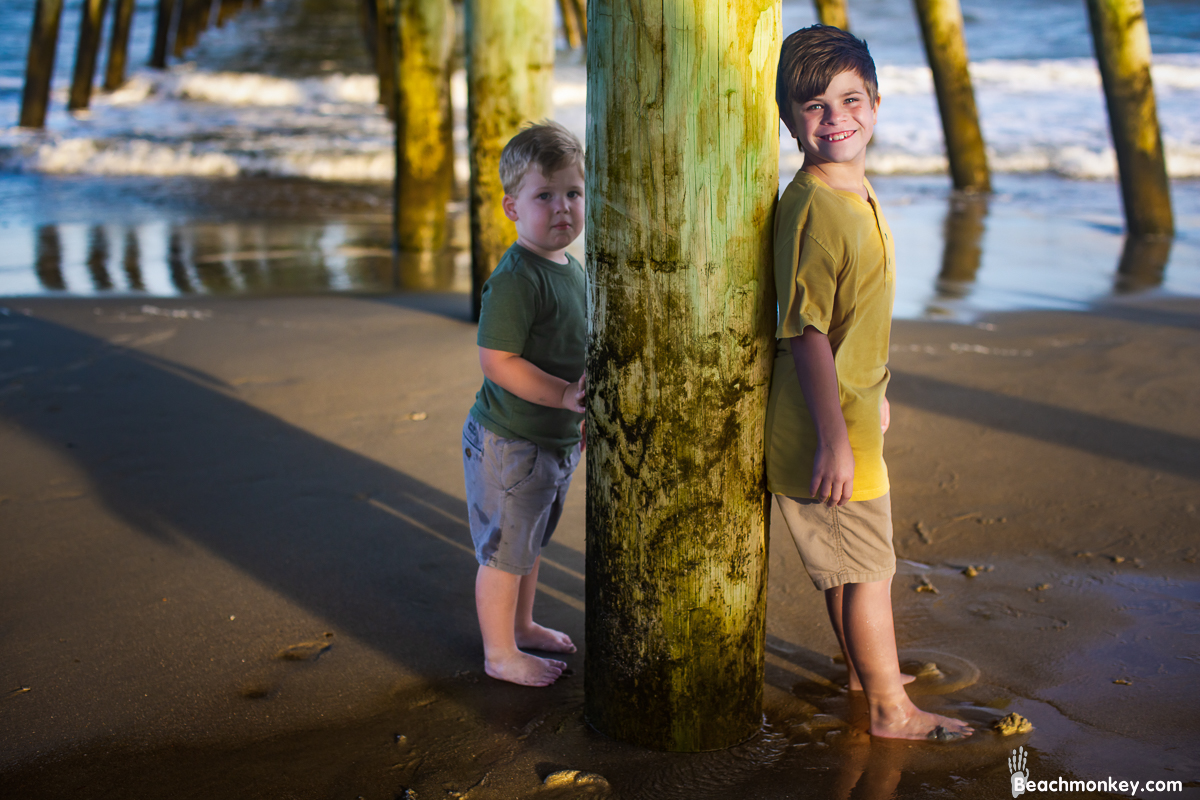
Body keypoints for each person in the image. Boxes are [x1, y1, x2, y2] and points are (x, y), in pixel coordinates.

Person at [765, 24, 973, 740]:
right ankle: (888, 708)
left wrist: (874, 395)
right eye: (814, 107)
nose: (835, 117)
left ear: (877, 106)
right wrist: (834, 442)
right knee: (870, 571)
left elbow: (851, 316)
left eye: (850, 100)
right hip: (825, 427)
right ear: (789, 121)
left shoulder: (851, 189)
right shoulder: (816, 210)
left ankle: (864, 672)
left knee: (852, 568)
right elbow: (807, 333)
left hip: (848, 414)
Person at [462, 121, 586, 687]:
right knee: (506, 550)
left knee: (529, 543)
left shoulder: (572, 269)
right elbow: (498, 361)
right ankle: (499, 652)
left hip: (552, 437)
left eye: (573, 194)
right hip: (512, 441)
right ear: (512, 207)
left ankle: (524, 624)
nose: (562, 208)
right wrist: (563, 395)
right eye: (545, 196)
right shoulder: (516, 279)